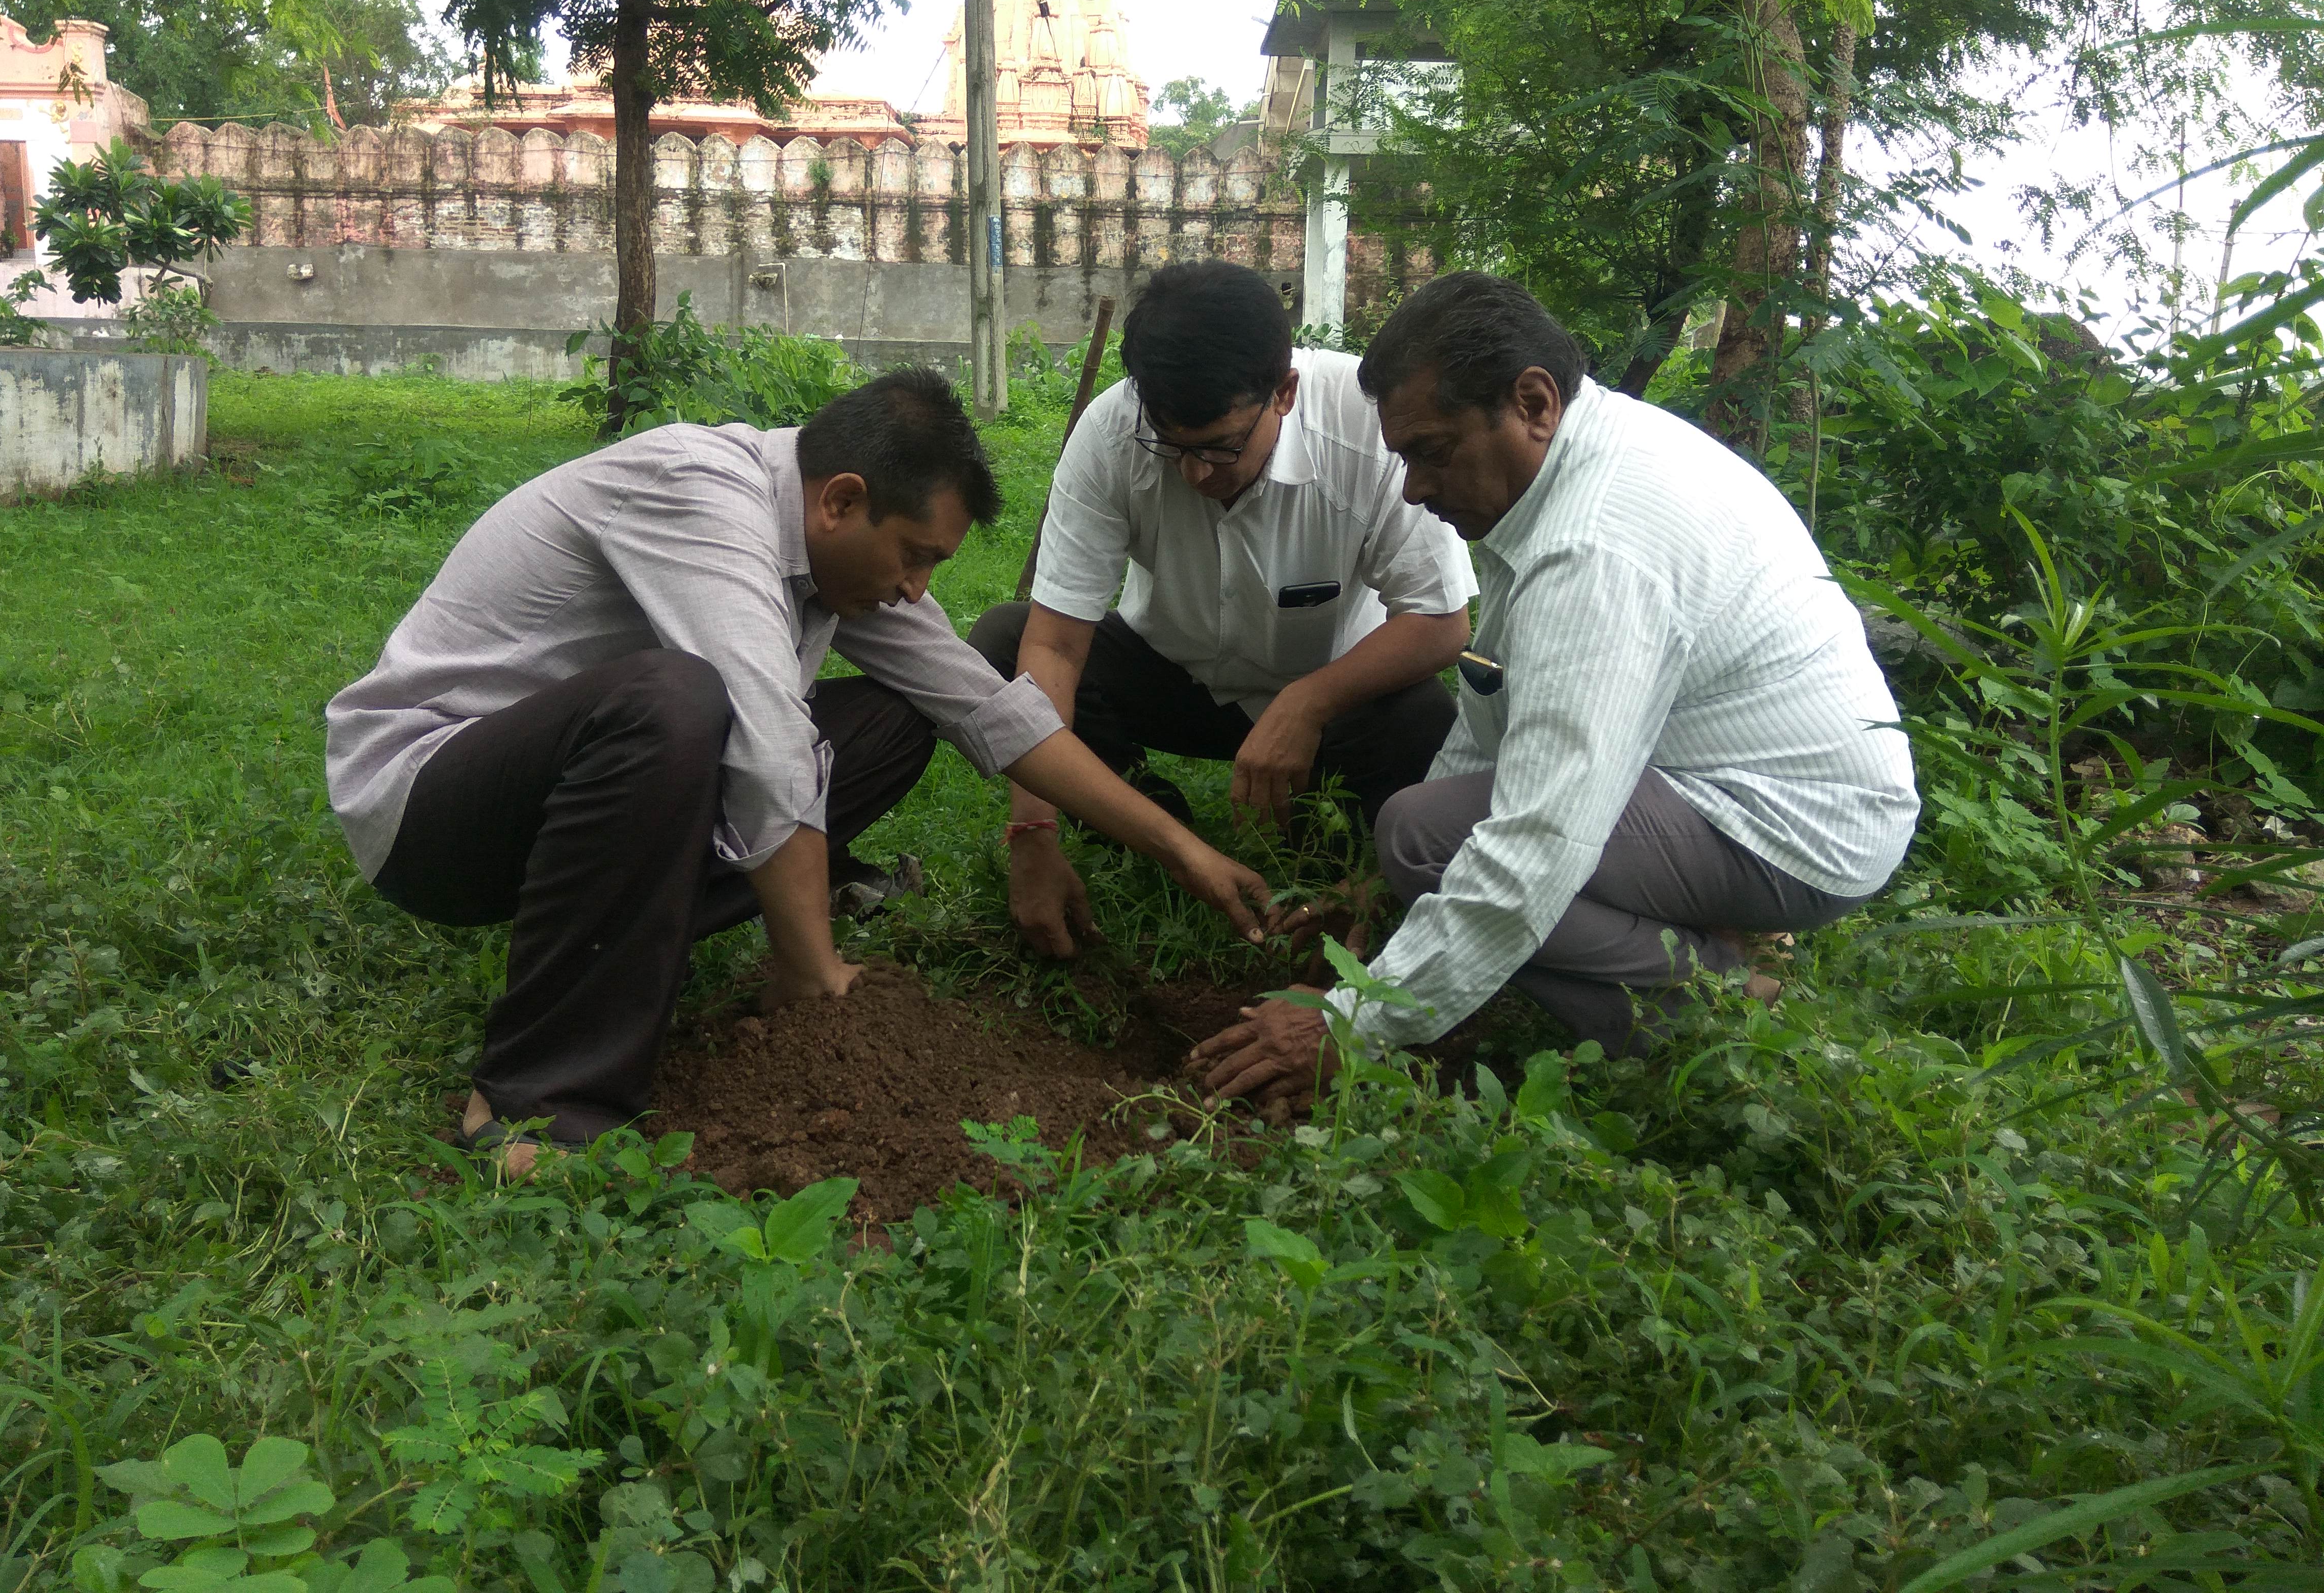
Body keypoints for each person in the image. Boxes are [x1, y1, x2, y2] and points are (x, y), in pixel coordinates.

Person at [326, 368, 1271, 1169]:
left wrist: (1181, 850)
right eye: (912, 557)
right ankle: (536, 1100)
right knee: (677, 701)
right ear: (841, 499)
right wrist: (816, 973)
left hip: (575, 802)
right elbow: (765, 736)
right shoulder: (700, 489)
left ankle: (637, 932)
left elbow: (988, 708)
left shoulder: (837, 554)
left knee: (899, 716)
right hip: (433, 805)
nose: (915, 589)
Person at [1189, 272, 1920, 1105]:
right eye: (1403, 459)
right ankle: (1697, 944)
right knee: (1417, 837)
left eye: (1432, 452)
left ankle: (1716, 999)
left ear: (1533, 402)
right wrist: (1384, 900)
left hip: (1795, 825)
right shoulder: (1580, 458)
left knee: (1434, 844)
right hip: (1724, 783)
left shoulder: (1594, 549)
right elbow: (1493, 704)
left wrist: (1353, 1024)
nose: (1416, 490)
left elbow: (1541, 840)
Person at [969, 261, 1477, 958]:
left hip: (1336, 697)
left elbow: (1440, 623)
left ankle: (1334, 838)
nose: (1196, 474)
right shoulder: (1113, 433)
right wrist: (1033, 830)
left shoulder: (1369, 428)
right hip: (1177, 678)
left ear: (1285, 392)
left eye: (1222, 447)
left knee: (1424, 723)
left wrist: (1306, 705)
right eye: (1172, 446)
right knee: (1005, 640)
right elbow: (1055, 646)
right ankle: (1146, 821)